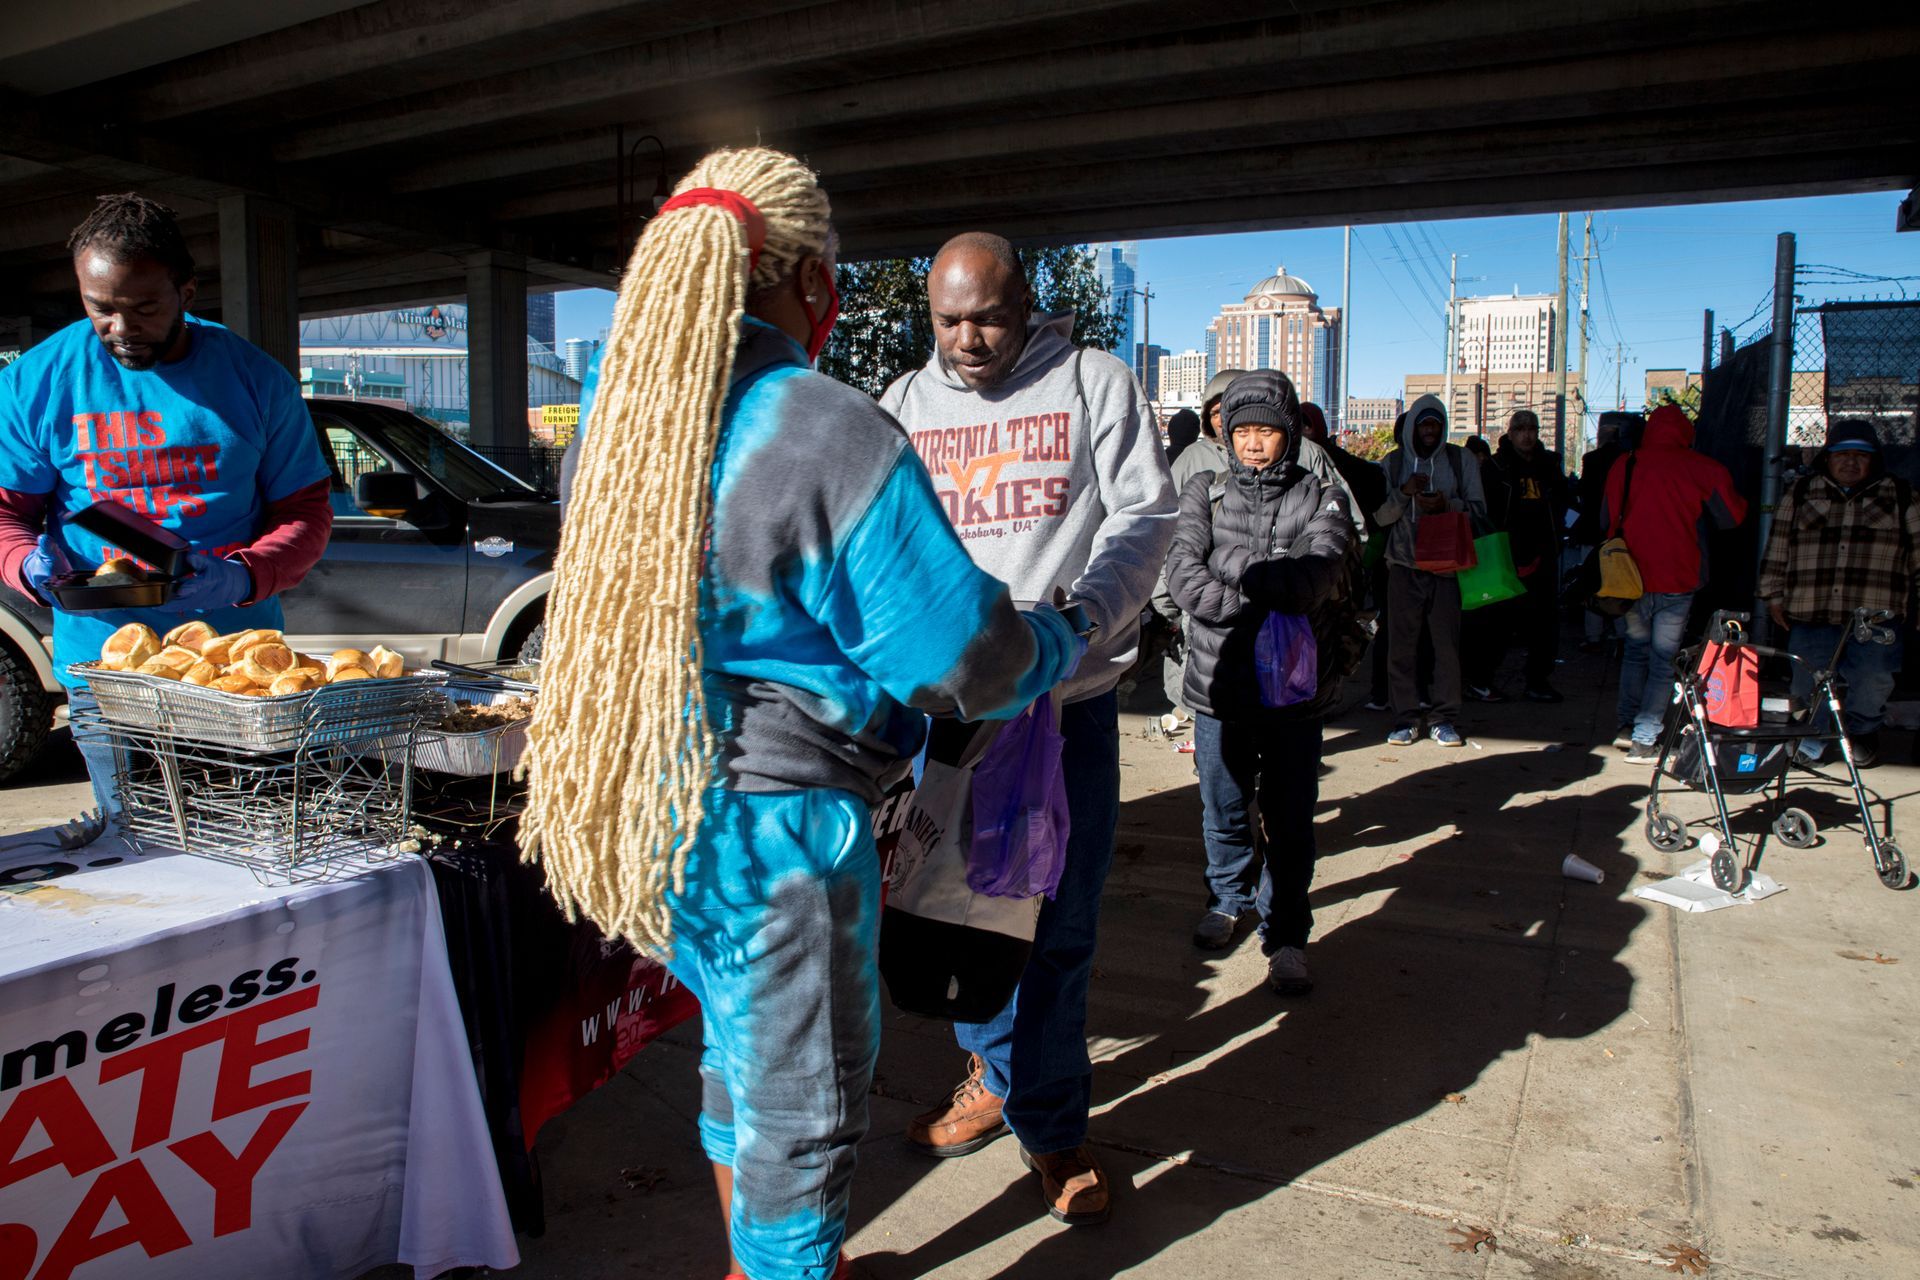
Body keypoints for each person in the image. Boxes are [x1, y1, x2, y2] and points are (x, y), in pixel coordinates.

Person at [524, 151, 1084, 1280]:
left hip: (667, 806)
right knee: (810, 1101)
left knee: (741, 1054)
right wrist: (1062, 633)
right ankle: (784, 1270)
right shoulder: (820, 425)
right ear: (805, 280)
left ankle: (768, 1266)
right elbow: (963, 660)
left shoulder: (619, 429)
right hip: (786, 831)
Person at [880, 232, 1175, 1227]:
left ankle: (1051, 1127)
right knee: (948, 915)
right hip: (941, 719)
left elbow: (1145, 517)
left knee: (1058, 927)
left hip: (1062, 712)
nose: (969, 339)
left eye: (990, 317)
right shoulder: (905, 406)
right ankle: (997, 1069)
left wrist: (1085, 617)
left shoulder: (1094, 383)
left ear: (1028, 302)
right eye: (950, 321)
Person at [0, 193, 333, 822]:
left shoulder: (256, 379)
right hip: (103, 671)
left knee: (243, 844)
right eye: (100, 309)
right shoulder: (37, 380)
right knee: (130, 845)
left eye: (145, 308)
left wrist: (244, 574)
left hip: (236, 670)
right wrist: (25, 564)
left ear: (187, 289)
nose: (121, 330)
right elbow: (5, 513)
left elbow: (306, 512)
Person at [1164, 372, 1353, 990]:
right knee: (1222, 807)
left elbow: (1310, 582)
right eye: (1240, 429)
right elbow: (1182, 577)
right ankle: (1227, 899)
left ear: (1289, 434)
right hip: (1218, 687)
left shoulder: (1322, 496)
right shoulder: (1203, 489)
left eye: (1265, 430)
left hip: (1295, 693)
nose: (1251, 442)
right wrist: (1263, 584)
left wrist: (1228, 564)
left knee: (1291, 819)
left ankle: (1287, 934)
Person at [1757, 419, 1919, 768]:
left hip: (1876, 614)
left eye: (1860, 456)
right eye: (1842, 455)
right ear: (1827, 458)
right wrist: (1772, 594)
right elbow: (1778, 544)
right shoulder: (1801, 492)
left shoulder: (1901, 495)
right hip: (1812, 608)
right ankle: (1813, 737)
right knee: (1807, 680)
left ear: (1874, 460)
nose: (1850, 462)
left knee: (1873, 679)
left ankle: (1861, 732)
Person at [1602, 403, 1746, 760]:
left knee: (1635, 652)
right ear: (1687, 434)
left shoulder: (1627, 463)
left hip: (1628, 577)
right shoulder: (1702, 468)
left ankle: (1626, 725)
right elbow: (1731, 518)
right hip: (1678, 577)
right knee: (1663, 661)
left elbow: (1605, 516)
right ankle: (1644, 738)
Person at [1374, 395, 1485, 747]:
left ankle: (1443, 718)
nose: (1430, 431)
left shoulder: (1460, 459)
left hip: (1447, 569)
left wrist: (1446, 505)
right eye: (1424, 424)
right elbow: (1379, 518)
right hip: (1404, 566)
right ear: (1411, 428)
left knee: (1446, 648)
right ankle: (1405, 718)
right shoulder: (1390, 465)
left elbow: (1480, 511)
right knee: (1401, 648)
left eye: (1436, 424)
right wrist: (1404, 494)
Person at [1470, 410, 1569, 702]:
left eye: (1532, 428)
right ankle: (1480, 679)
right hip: (1504, 556)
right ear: (1510, 433)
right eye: (1520, 429)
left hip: (1543, 555)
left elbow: (1563, 500)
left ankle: (1537, 681)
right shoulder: (1496, 467)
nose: (1527, 434)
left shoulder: (1549, 465)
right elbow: (1483, 510)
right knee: (1498, 624)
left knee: (1544, 624)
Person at [1573, 414, 1634, 652]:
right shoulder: (1627, 460)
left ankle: (1593, 636)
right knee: (1619, 583)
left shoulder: (1591, 459)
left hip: (1591, 529)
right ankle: (1620, 634)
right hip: (1618, 531)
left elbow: (1584, 492)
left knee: (1591, 583)